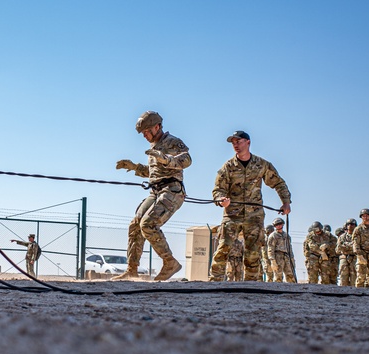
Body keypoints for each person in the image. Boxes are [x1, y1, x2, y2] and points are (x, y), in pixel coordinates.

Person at [113, 111, 190, 281]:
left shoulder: (172, 142)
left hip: (172, 190)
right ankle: (131, 270)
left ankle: (170, 262)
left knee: (148, 224)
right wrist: (134, 167)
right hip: (156, 191)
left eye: (148, 131)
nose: (145, 135)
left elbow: (186, 160)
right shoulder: (154, 147)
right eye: (143, 133)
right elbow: (153, 173)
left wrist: (165, 159)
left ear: (157, 127)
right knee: (135, 225)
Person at [209, 131, 291, 282]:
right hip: (232, 215)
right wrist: (220, 199)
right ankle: (214, 283)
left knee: (253, 253)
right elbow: (218, 189)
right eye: (233, 143)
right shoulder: (228, 167)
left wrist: (286, 202)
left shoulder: (261, 165)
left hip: (254, 216)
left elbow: (278, 183)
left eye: (238, 142)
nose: (235, 145)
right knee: (223, 249)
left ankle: (250, 286)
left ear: (248, 142)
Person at [266, 217, 296, 282]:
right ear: (275, 226)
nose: (279, 226)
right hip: (278, 257)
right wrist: (272, 260)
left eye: (280, 224)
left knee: (290, 275)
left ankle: (292, 290)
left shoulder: (286, 235)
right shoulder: (273, 236)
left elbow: (289, 247)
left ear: (283, 224)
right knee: (278, 277)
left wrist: (292, 258)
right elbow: (270, 248)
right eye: (277, 225)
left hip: (287, 256)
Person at [336, 218, 357, 287]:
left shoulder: (357, 236)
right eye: (348, 224)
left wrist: (345, 245)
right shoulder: (342, 237)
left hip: (354, 258)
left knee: (354, 279)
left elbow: (358, 247)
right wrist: (351, 245)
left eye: (352, 224)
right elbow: (338, 249)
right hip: (344, 258)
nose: (350, 226)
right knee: (343, 279)